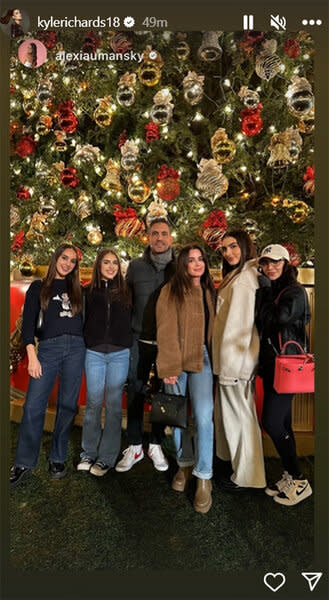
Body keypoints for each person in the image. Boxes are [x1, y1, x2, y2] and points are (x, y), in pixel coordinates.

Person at [10, 244, 85, 487]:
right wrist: (32, 355)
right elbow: (28, 326)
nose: (67, 263)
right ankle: (23, 462)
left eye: (72, 261)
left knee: (67, 405)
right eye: (64, 258)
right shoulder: (38, 287)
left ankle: (58, 457)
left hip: (76, 348)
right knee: (33, 406)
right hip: (48, 350)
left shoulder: (77, 290)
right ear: (56, 258)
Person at [156, 244, 215, 514]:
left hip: (202, 359)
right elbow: (165, 330)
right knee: (177, 418)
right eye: (191, 260)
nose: (197, 263)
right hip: (176, 359)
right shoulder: (171, 290)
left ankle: (204, 477)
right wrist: (168, 366)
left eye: (201, 259)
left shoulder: (209, 291)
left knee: (203, 416)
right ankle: (185, 465)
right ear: (182, 264)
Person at [115, 218, 175, 473]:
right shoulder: (136, 267)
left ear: (171, 238)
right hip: (138, 341)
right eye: (154, 234)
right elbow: (125, 302)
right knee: (136, 392)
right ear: (148, 237)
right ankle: (136, 444)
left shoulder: (179, 268)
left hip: (168, 343)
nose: (159, 238)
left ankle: (156, 444)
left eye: (164, 234)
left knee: (164, 396)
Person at [256, 244, 312, 506]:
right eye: (266, 263)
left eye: (276, 262)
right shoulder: (278, 290)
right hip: (271, 365)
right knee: (284, 424)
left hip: (286, 369)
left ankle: (300, 481)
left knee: (272, 422)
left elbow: (276, 320)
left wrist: (265, 291)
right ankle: (290, 474)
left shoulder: (295, 292)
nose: (270, 267)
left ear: (286, 263)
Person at [212, 230, 266, 491]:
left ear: (245, 246)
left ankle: (248, 477)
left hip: (236, 363)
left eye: (233, 246)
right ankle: (234, 465)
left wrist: (230, 369)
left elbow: (238, 328)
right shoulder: (238, 275)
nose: (228, 252)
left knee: (240, 418)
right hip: (229, 362)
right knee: (231, 417)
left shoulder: (245, 279)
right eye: (224, 249)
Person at [77, 249, 132, 477]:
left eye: (115, 263)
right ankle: (88, 453)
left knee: (113, 406)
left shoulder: (128, 292)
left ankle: (107, 457)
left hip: (120, 354)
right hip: (94, 354)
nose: (111, 267)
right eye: (106, 263)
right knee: (93, 402)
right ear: (98, 265)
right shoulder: (87, 292)